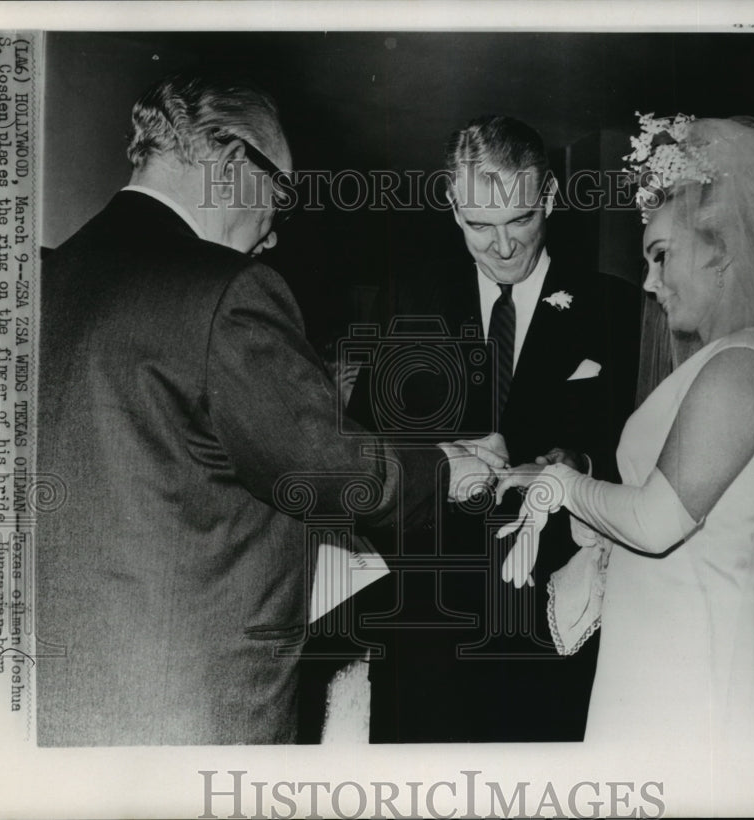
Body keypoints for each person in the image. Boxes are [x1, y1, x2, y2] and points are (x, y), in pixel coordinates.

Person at [35, 70, 496, 746]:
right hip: (191, 712)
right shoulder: (227, 292)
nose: (274, 233)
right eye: (279, 197)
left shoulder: (44, 277)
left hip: (59, 705)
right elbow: (334, 468)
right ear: (229, 166)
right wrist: (449, 470)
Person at [495, 114, 754, 741]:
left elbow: (656, 522)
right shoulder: (732, 359)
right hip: (663, 644)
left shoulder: (746, 363)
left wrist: (562, 483)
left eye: (661, 256)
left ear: (722, 248)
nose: (649, 284)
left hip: (697, 666)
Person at [348, 115, 640, 742]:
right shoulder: (410, 302)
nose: (502, 246)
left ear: (552, 201)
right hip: (426, 624)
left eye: (520, 221)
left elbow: (649, 462)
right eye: (479, 226)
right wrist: (442, 455)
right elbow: (359, 445)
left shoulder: (616, 310)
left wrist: (577, 464)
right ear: (453, 209)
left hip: (556, 625)